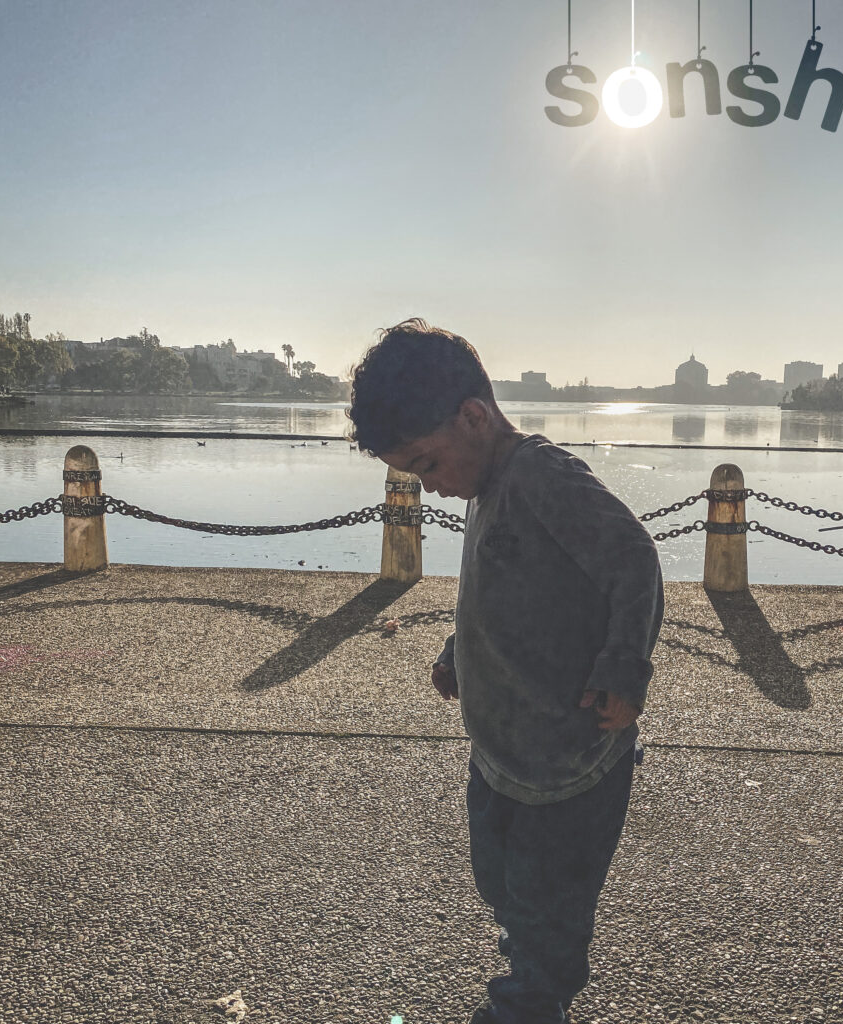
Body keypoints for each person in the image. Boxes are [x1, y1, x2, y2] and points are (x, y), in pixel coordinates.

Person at [347, 318, 664, 1024]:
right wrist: (457, 651)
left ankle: (528, 1001)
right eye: (414, 475)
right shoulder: (485, 483)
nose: (430, 486)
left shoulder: (541, 476)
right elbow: (502, 588)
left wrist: (623, 668)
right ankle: (529, 960)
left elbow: (633, 560)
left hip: (570, 760)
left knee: (549, 915)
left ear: (474, 416)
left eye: (429, 464)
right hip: (503, 753)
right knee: (505, 886)